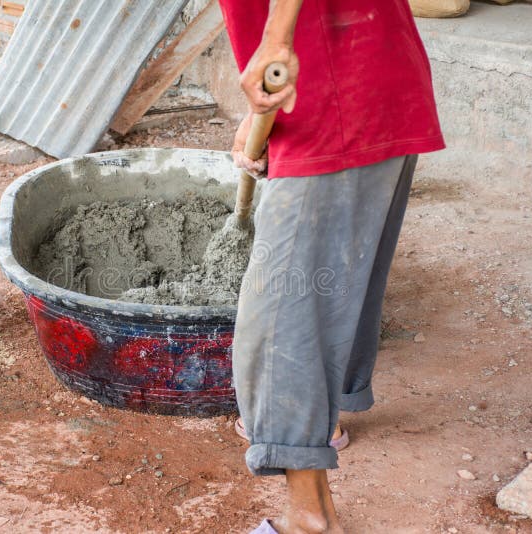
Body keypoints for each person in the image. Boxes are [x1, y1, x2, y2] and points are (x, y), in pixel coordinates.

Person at [218, 1, 445, 532]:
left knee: (278, 317)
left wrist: (276, 42)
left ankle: (308, 518)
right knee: (339, 274)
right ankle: (327, 417)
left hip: (332, 88)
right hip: (349, 75)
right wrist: (261, 107)